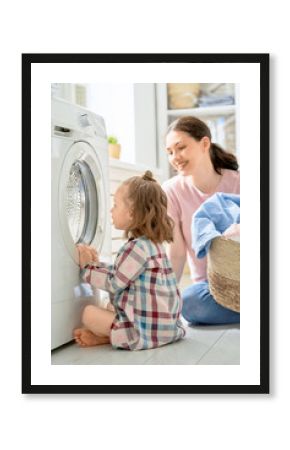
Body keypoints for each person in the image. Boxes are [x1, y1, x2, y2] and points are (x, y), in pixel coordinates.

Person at [74, 171, 185, 350]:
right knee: (109, 306)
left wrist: (86, 267)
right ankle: (110, 336)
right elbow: (122, 273)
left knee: (89, 313)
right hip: (166, 328)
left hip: (147, 332)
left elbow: (114, 283)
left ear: (132, 213)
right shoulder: (152, 245)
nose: (111, 210)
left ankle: (115, 336)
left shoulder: (135, 248)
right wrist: (97, 265)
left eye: (115, 205)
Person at [162, 116, 240, 325]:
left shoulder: (239, 182)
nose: (175, 157)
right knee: (189, 303)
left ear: (204, 143)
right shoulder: (171, 191)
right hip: (211, 288)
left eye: (181, 148)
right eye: (170, 152)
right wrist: (165, 300)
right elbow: (176, 253)